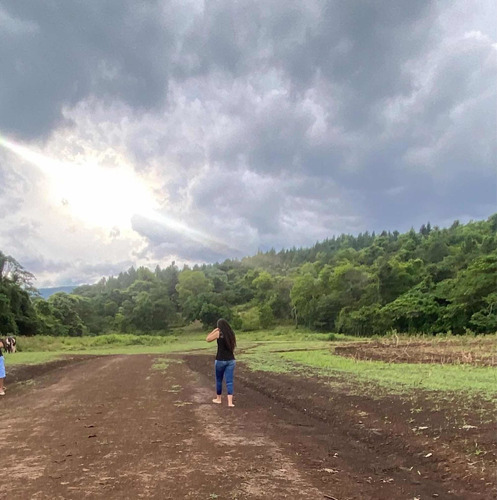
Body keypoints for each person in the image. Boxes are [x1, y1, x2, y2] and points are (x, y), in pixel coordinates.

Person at [206, 318, 236, 407]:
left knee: (219, 380)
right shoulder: (231, 334)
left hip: (220, 360)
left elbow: (207, 339)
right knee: (229, 381)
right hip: (231, 360)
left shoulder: (219, 333)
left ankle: (218, 399)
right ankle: (230, 402)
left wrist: (215, 329)